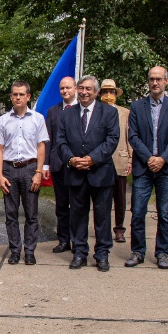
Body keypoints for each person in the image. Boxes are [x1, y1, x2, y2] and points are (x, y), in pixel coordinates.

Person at [57, 75, 119, 272]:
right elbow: (60, 141)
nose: (84, 92)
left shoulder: (108, 112)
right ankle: (79, 253)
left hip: (100, 173)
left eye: (88, 89)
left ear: (96, 92)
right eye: (81, 88)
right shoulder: (67, 114)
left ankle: (102, 254)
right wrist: (71, 159)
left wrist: (93, 159)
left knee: (102, 217)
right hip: (75, 173)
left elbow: (112, 139)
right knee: (77, 216)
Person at [125, 66, 168, 269]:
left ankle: (162, 252)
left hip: (166, 169)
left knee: (164, 213)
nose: (155, 83)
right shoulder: (136, 107)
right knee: (138, 212)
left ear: (166, 81)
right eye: (151, 79)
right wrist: (149, 157)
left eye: (159, 79)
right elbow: (132, 136)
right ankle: (137, 251)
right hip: (143, 167)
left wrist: (162, 159)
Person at [0, 81, 49, 265]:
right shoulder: (3, 120)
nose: (18, 97)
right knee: (11, 214)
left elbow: (41, 146)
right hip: (9, 169)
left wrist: (39, 172)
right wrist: (0, 175)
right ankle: (15, 251)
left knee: (31, 214)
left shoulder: (38, 119)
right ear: (11, 97)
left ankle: (30, 251)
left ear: (28, 96)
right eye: (15, 94)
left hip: (30, 169)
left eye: (21, 94)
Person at [43, 76, 77, 253]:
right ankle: (64, 239)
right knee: (62, 205)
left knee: (78, 205)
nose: (65, 91)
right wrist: (46, 164)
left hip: (78, 166)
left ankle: (78, 240)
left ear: (75, 89)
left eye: (68, 88)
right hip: (59, 165)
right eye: (62, 88)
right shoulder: (53, 111)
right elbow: (48, 139)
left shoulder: (82, 109)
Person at [98, 79, 133, 243]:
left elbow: (129, 137)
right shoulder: (96, 112)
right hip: (100, 161)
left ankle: (119, 229)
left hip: (120, 159)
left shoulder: (125, 113)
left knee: (120, 197)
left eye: (111, 92)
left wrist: (130, 158)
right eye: (105, 92)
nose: (108, 95)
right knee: (102, 197)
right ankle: (102, 227)